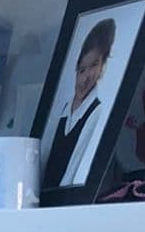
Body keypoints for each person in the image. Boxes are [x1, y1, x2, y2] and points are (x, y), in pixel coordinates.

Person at [42, 18, 116, 192]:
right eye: (82, 70)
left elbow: (73, 168)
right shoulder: (62, 108)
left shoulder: (96, 111)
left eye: (94, 66)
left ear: (102, 66)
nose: (85, 77)